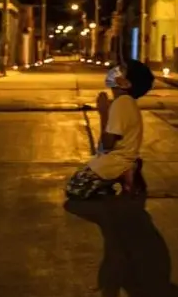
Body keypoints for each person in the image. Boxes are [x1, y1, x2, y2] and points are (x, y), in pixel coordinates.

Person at [65, 60, 154, 200]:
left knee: (76, 187)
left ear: (126, 83)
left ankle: (127, 172)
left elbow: (107, 143)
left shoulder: (122, 103)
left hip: (118, 161)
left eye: (121, 69)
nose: (115, 70)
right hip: (117, 158)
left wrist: (103, 112)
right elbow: (105, 142)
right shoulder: (124, 102)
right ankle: (119, 177)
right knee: (87, 184)